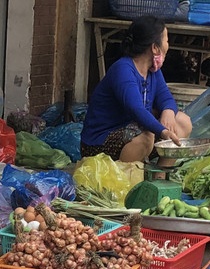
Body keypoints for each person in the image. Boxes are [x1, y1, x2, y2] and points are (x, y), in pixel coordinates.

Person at [80, 15, 193, 162]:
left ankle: (162, 173)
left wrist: (168, 112)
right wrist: (163, 131)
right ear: (155, 47)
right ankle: (126, 176)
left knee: (182, 121)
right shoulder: (123, 69)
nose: (168, 45)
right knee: (146, 136)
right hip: (99, 142)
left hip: (133, 133)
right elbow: (136, 109)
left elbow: (165, 97)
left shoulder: (153, 70)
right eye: (166, 41)